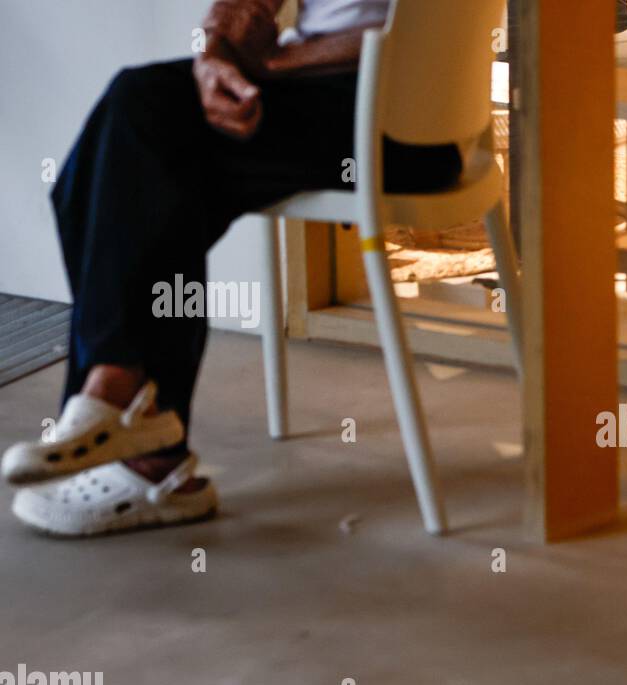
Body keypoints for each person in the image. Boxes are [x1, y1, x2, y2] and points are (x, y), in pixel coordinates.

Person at [1, 0, 464, 536]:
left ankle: (136, 426)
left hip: (401, 117)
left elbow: (415, 32)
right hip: (315, 89)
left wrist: (274, 65)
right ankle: (136, 427)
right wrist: (213, 56)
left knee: (143, 153)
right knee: (116, 157)